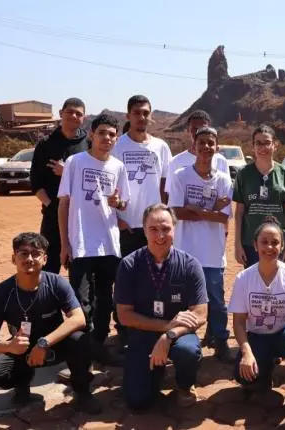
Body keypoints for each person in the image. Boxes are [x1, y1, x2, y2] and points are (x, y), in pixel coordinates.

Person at [0, 232, 102, 414]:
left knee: (80, 340)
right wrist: (10, 346)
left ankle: (82, 392)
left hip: (54, 344)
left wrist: (44, 343)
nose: (29, 259)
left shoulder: (56, 283)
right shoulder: (2, 293)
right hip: (21, 348)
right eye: (23, 253)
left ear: (44, 259)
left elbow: (78, 318)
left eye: (36, 254)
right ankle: (22, 385)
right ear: (14, 258)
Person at [115, 204, 208, 410]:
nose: (160, 236)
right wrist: (166, 326)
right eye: (153, 229)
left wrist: (169, 335)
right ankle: (155, 370)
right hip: (143, 333)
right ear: (144, 230)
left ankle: (184, 385)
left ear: (175, 229)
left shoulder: (190, 265)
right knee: (138, 401)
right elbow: (124, 316)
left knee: (188, 351)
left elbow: (200, 314)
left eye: (166, 229)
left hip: (179, 334)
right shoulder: (129, 265)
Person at [57, 114, 131, 364]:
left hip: (108, 244)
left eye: (111, 134)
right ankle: (81, 351)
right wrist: (64, 244)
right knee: (80, 301)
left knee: (105, 300)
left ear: (116, 139)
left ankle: (99, 345)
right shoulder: (75, 163)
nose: (106, 138)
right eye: (102, 133)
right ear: (91, 134)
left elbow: (123, 203)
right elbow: (64, 205)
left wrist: (117, 203)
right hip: (80, 244)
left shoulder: (118, 167)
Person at [228, 221, 285, 416]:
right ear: (255, 245)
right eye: (264, 242)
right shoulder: (244, 278)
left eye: (275, 242)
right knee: (246, 379)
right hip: (257, 337)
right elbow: (239, 322)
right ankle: (264, 372)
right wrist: (246, 352)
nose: (269, 247)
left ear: (282, 245)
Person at [168, 126, 234, 363]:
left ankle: (221, 341)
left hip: (212, 253)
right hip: (185, 250)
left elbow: (224, 217)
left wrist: (196, 209)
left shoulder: (224, 179)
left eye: (210, 143)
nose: (206, 147)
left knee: (216, 301)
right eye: (202, 142)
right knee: (182, 300)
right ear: (194, 146)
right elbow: (176, 212)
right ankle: (181, 341)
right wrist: (211, 209)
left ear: (217, 148)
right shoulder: (180, 176)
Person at [30, 97, 88, 274]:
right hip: (53, 216)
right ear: (61, 113)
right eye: (70, 111)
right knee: (48, 268)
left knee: (81, 270)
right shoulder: (46, 144)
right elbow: (36, 182)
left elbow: (93, 178)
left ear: (83, 118)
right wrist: (50, 204)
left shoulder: (88, 144)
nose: (74, 116)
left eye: (78, 113)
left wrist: (68, 171)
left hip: (82, 216)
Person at [112, 95, 172, 257]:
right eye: (137, 113)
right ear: (128, 116)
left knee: (155, 271)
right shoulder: (116, 146)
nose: (142, 117)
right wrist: (117, 221)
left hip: (154, 227)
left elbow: (166, 186)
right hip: (126, 226)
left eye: (146, 113)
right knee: (125, 272)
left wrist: (165, 218)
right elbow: (107, 186)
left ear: (151, 116)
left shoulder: (161, 147)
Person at [233, 125, 285, 268]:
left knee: (278, 280)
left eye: (267, 143)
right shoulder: (243, 174)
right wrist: (237, 244)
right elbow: (239, 212)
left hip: (277, 243)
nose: (263, 147)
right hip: (251, 243)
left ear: (275, 145)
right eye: (258, 143)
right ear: (253, 146)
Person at [164, 110, 230, 195]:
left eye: (202, 128)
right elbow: (171, 195)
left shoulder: (221, 161)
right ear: (188, 131)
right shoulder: (175, 162)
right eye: (194, 129)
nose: (198, 132)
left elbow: (226, 194)